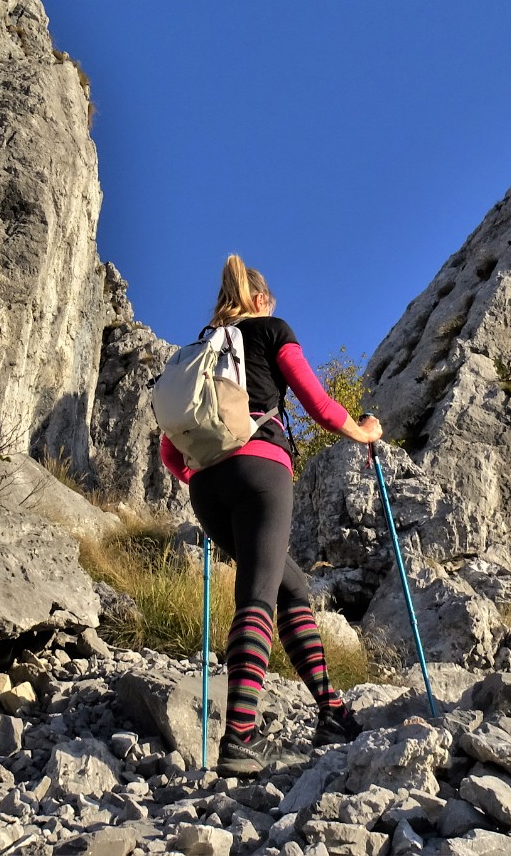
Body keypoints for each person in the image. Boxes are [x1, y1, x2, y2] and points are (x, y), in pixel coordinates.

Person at [159, 254, 383, 776]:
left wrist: (213, 477)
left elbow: (171, 454)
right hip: (261, 470)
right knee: (258, 598)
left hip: (207, 487)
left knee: (291, 587)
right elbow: (322, 408)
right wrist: (365, 431)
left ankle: (331, 710)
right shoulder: (271, 330)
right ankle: (238, 740)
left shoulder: (198, 352)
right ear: (260, 301)